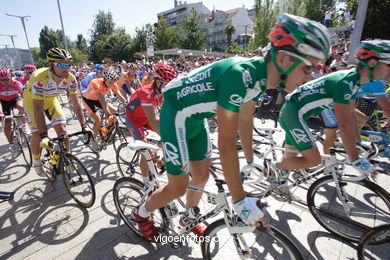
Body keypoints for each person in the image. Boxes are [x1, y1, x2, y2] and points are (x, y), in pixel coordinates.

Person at [132, 13, 331, 242]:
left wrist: (249, 160)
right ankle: (141, 213)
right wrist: (239, 201)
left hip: (196, 120)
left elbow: (245, 121)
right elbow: (225, 144)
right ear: (285, 58)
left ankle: (188, 217)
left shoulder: (260, 78)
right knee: (178, 187)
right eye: (307, 68)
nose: (309, 77)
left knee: (201, 177)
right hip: (175, 116)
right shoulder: (240, 76)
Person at [275, 40, 390, 187]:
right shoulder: (346, 83)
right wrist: (355, 159)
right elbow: (344, 124)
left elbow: (350, 118)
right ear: (373, 63)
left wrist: (357, 143)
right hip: (293, 112)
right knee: (313, 159)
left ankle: (280, 184)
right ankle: (273, 168)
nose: (389, 71)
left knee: (289, 159)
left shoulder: (354, 82)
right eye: (389, 65)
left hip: (298, 113)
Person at [23, 47, 88, 178]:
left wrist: (83, 126)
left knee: (63, 133)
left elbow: (76, 103)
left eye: (69, 64)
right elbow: (37, 109)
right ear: (50, 65)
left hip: (51, 101)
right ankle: (37, 162)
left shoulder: (70, 78)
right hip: (32, 103)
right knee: (37, 135)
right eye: (62, 64)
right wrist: (44, 136)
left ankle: (67, 159)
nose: (66, 68)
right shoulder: (39, 77)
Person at [124, 63, 177, 186]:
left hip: (146, 117)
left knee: (170, 130)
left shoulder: (163, 92)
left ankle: (161, 160)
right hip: (133, 119)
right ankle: (146, 183)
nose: (170, 87)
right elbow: (152, 121)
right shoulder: (146, 93)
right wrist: (167, 137)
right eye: (167, 84)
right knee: (146, 150)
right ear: (158, 83)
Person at [82, 67, 127, 141]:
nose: (111, 85)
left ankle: (107, 132)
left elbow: (119, 95)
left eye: (113, 82)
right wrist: (109, 114)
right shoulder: (96, 83)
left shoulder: (112, 83)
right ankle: (93, 138)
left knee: (115, 111)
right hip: (88, 100)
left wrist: (127, 104)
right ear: (105, 79)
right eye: (110, 82)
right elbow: (102, 101)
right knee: (98, 119)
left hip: (97, 99)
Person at [0, 67, 30, 155]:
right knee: (8, 122)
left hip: (15, 99)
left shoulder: (16, 83)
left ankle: (24, 125)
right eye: (2, 80)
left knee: (21, 107)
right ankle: (12, 144)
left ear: (11, 77)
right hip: (3, 102)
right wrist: (1, 113)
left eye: (7, 79)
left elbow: (25, 94)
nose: (5, 82)